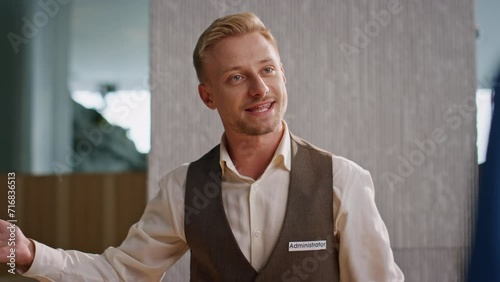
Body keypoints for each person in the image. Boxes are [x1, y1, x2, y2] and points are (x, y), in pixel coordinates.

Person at [0, 12, 404, 281]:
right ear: (207, 96)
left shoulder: (343, 180)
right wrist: (32, 254)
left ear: (283, 75)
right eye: (236, 78)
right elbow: (121, 273)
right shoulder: (182, 189)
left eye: (267, 70)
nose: (260, 88)